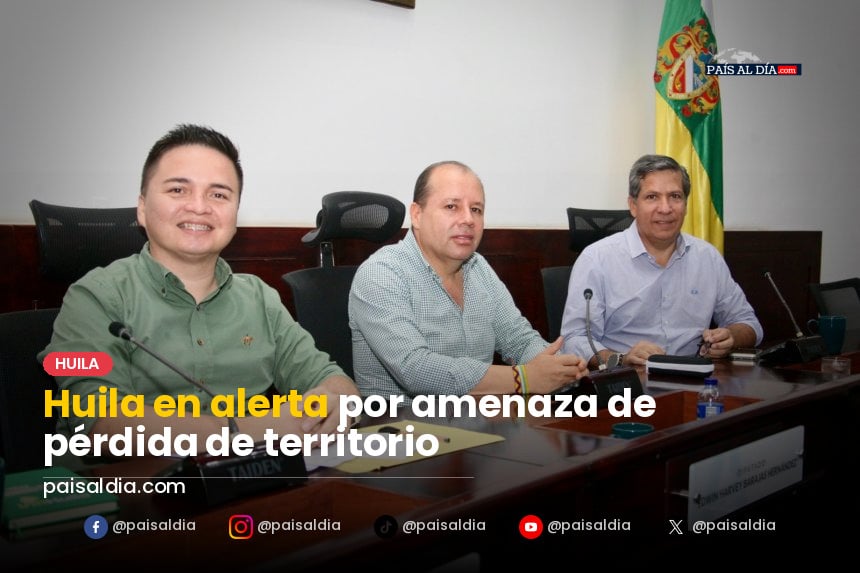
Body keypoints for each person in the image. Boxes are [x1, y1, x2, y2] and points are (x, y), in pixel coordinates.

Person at [40, 124, 359, 450]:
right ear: (142, 208)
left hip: (246, 481)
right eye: (178, 190)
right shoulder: (94, 297)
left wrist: (335, 400)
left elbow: (334, 382)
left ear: (234, 214)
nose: (199, 206)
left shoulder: (259, 297)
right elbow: (104, 424)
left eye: (219, 194)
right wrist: (245, 430)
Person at [348, 160, 588, 399]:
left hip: (478, 422)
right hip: (400, 426)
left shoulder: (478, 267)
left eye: (476, 209)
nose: (468, 220)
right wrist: (523, 378)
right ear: (417, 215)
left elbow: (519, 340)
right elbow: (415, 369)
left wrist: (562, 368)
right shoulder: (382, 273)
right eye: (452, 206)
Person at [561, 154, 763, 369]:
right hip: (627, 383)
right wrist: (621, 358)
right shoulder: (597, 259)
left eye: (675, 196)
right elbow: (574, 340)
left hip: (694, 380)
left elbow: (750, 325)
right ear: (633, 205)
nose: (665, 208)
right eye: (652, 197)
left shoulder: (707, 258)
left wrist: (731, 336)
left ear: (685, 204)